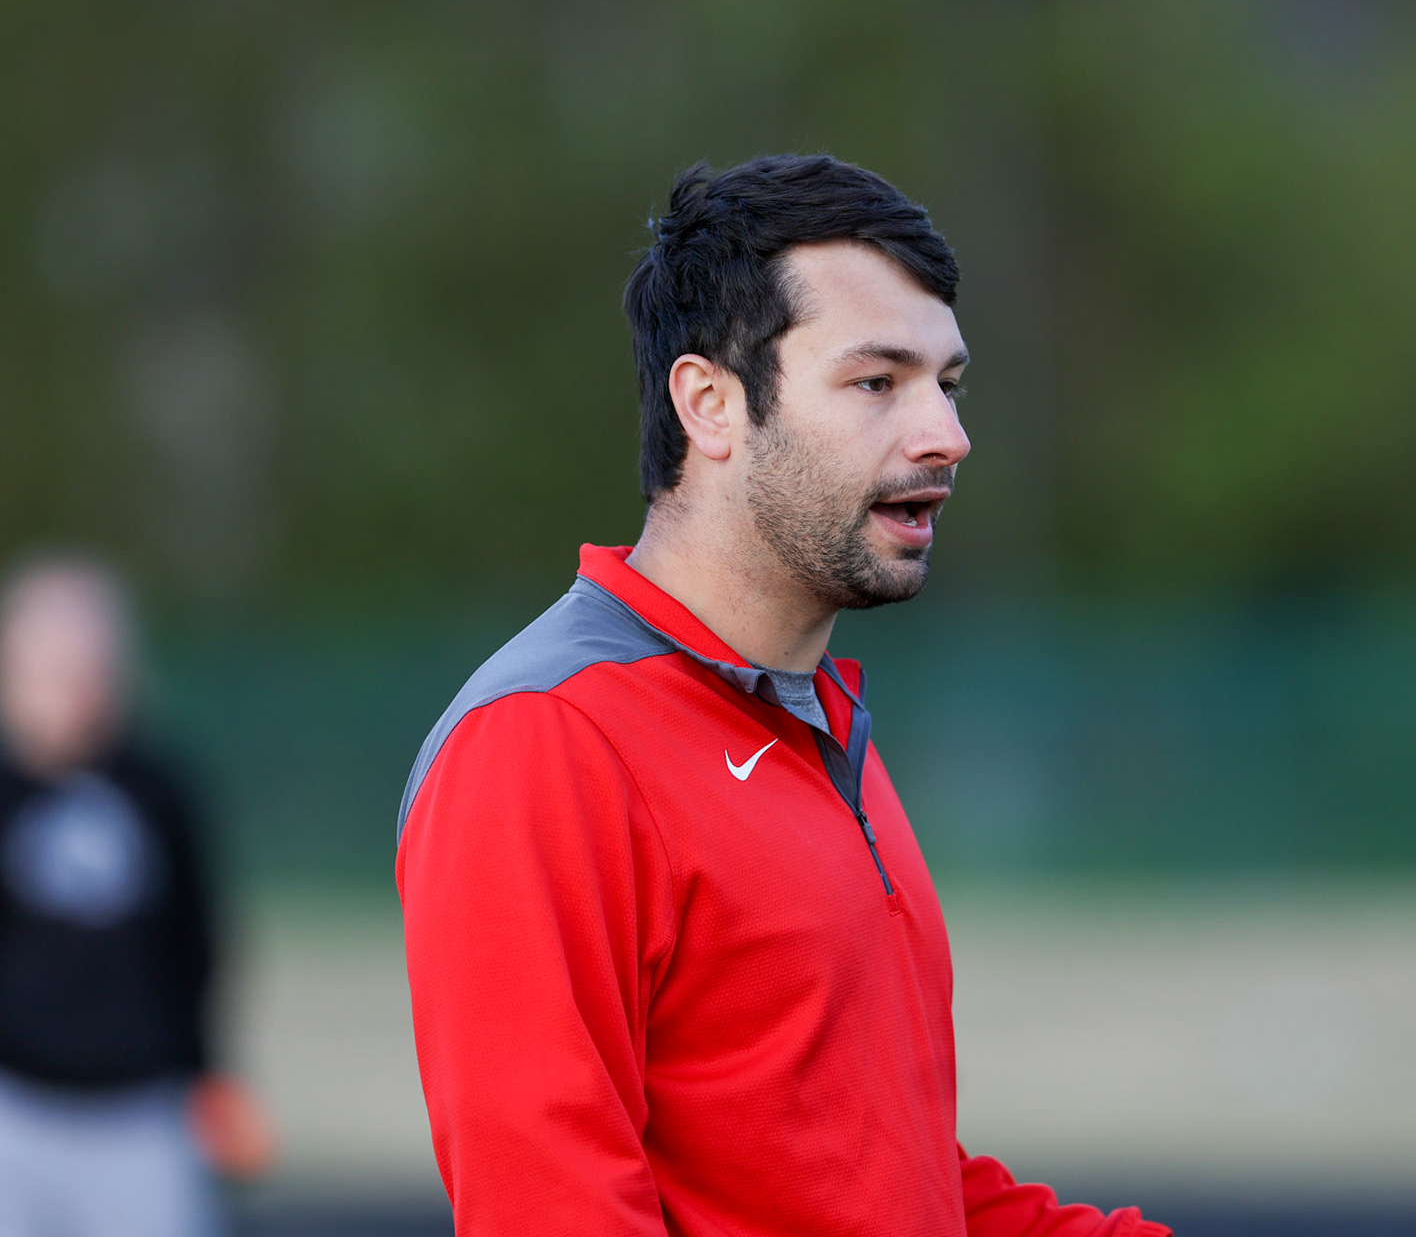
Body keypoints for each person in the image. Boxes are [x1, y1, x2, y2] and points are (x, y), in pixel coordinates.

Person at [397, 155, 1172, 1236]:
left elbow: (892, 1187)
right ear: (710, 403)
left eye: (946, 384)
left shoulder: (811, 719)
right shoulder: (546, 737)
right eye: (877, 381)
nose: (945, 435)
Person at [0, 555, 271, 1237]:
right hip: (18, 1107)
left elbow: (199, 939)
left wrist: (209, 1075)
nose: (78, 688)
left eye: (91, 665)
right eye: (55, 666)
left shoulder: (160, 788)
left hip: (142, 1112)